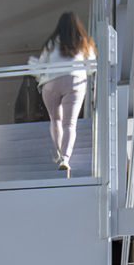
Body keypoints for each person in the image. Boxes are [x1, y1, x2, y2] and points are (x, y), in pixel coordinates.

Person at [30, 12, 97, 176]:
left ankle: (59, 153)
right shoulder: (84, 42)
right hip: (74, 82)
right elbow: (92, 66)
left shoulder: (51, 43)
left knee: (55, 120)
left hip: (51, 83)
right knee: (69, 123)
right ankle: (65, 159)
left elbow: (41, 65)